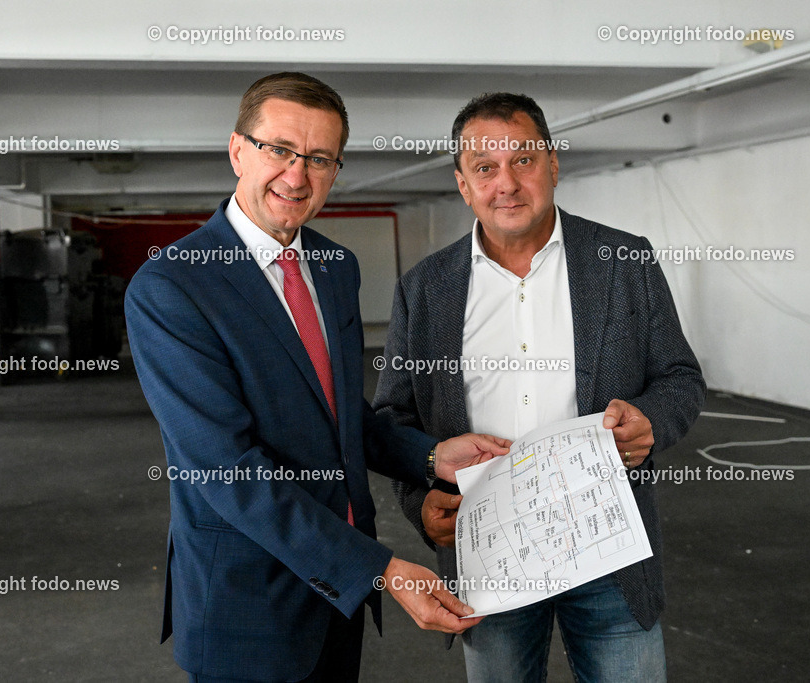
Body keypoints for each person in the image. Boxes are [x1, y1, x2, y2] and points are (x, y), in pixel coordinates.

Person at [125, 72, 509, 682]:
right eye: (279, 149)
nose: (297, 175)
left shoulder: (335, 267)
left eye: (320, 158)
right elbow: (228, 470)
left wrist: (433, 455)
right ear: (237, 151)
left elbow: (339, 414)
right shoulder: (172, 286)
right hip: (247, 601)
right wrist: (381, 570)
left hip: (337, 598)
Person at [374, 92, 706, 682]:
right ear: (463, 185)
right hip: (487, 551)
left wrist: (651, 421)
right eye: (485, 167)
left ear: (553, 164)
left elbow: (679, 377)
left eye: (523, 160)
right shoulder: (424, 290)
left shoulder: (624, 261)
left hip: (608, 549)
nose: (506, 183)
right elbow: (394, 419)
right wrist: (419, 506)